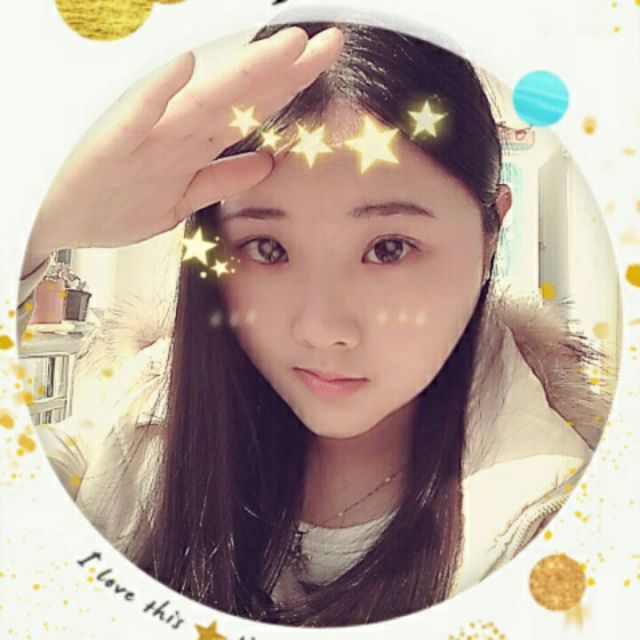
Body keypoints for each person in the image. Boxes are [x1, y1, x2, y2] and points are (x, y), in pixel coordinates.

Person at [16, 17, 612, 627]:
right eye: (267, 248)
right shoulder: (142, 421)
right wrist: (38, 228)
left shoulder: (564, 528)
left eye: (389, 249)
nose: (323, 329)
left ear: (491, 237)